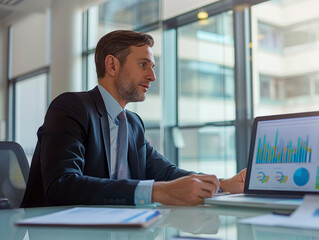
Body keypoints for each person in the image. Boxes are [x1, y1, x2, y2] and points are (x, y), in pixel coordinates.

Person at [21, 30, 246, 208]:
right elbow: (62, 185)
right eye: (143, 65)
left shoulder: (132, 123)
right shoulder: (71, 107)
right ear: (112, 65)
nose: (152, 76)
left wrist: (221, 184)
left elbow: (166, 173)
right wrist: (159, 192)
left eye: (152, 67)